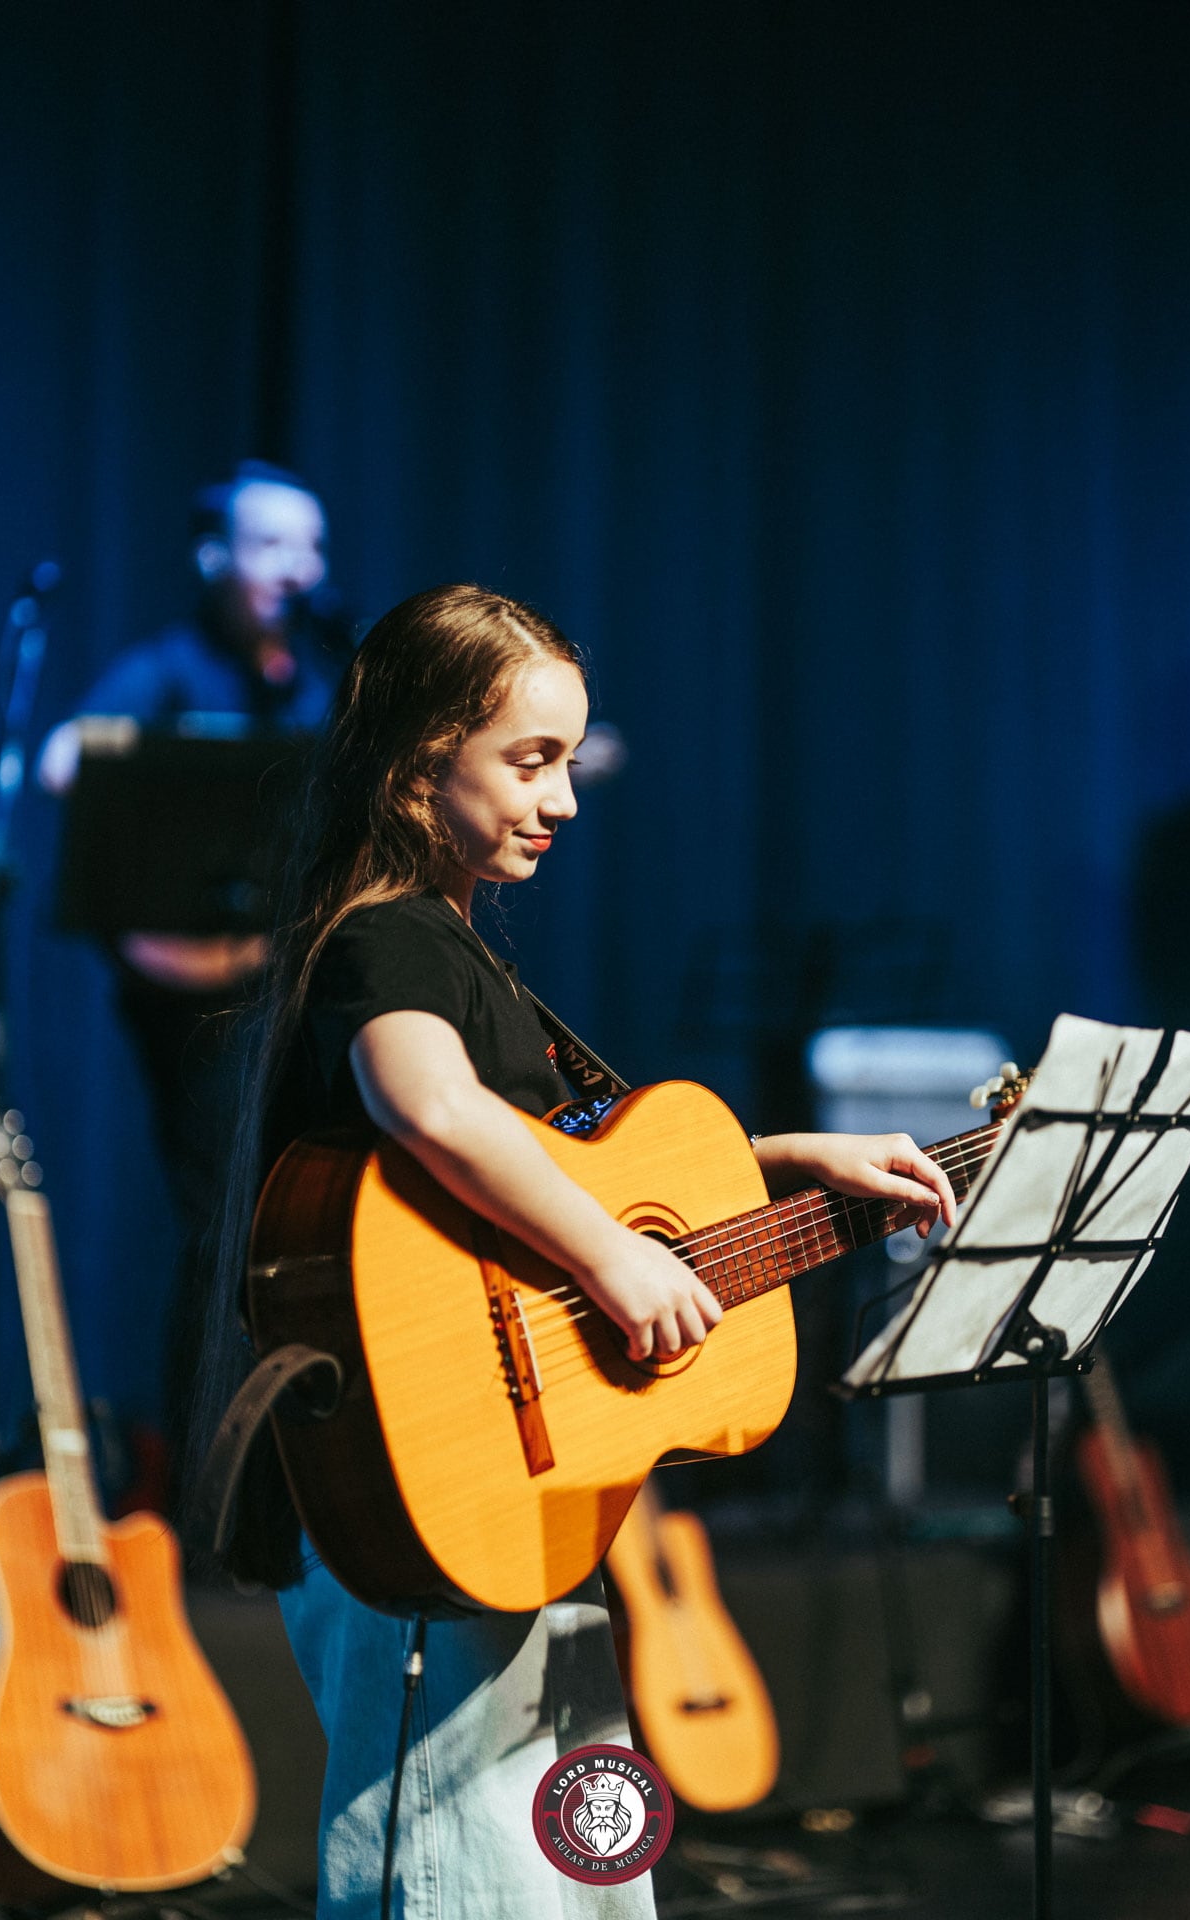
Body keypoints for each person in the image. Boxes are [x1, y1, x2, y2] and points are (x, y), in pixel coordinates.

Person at [194, 582, 957, 1920]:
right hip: (420, 1474)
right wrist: (611, 1257)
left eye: (568, 762)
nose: (562, 799)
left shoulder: (455, 948)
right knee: (460, 1872)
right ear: (417, 764)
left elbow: (556, 1161)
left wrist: (786, 1160)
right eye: (529, 760)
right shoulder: (387, 937)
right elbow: (428, 1106)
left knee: (569, 1867)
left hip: (515, 1491)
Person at [38, 461, 352, 1489]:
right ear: (215, 556)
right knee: (222, 1222)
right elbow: (61, 760)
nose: (295, 568)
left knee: (293, 1212)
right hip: (185, 997)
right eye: (271, 546)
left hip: (276, 981)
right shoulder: (167, 667)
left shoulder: (314, 676)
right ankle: (197, 1484)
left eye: (308, 546)